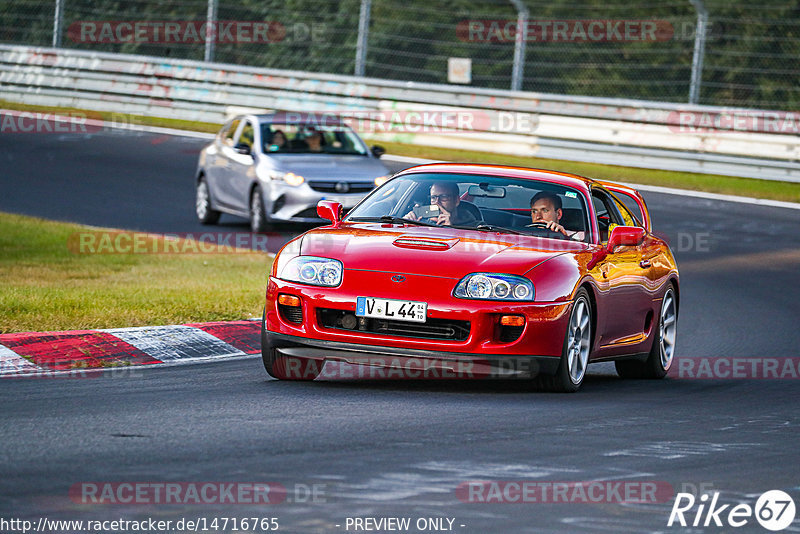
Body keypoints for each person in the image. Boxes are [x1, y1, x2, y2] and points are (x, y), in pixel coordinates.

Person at [405, 182, 478, 226]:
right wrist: (406, 223)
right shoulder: (421, 221)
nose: (437, 202)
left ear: (456, 201)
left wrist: (449, 229)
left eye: (443, 197)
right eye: (433, 197)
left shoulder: (475, 227)